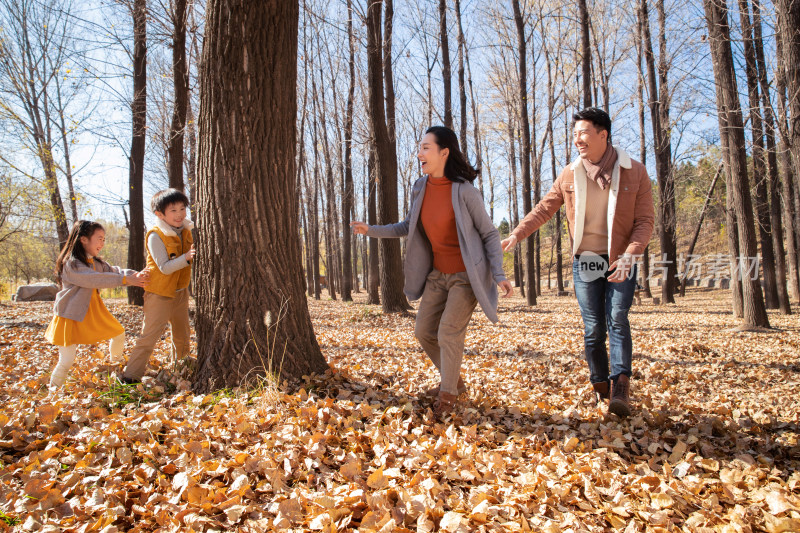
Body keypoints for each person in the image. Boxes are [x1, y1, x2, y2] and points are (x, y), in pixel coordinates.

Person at [501, 108, 654, 418]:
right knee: (594, 328)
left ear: (603, 134)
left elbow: (645, 221)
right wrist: (516, 235)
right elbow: (544, 209)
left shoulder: (635, 171)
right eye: (574, 135)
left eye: (583, 133)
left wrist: (630, 255)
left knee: (617, 318)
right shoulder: (570, 173)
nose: (577, 140)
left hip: (620, 259)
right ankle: (600, 385)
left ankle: (621, 385)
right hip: (586, 261)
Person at [352, 126, 513, 416]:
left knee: (449, 333)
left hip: (466, 276)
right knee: (424, 331)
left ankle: (448, 396)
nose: (420, 153)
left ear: (444, 152)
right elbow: (407, 226)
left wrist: (499, 274)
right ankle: (455, 382)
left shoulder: (464, 192)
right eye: (420, 147)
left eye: (426, 147)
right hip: (438, 276)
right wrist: (370, 230)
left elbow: (489, 234)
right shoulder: (420, 187)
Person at [45, 220, 149, 389]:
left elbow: (115, 271)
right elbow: (93, 278)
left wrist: (136, 275)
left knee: (118, 332)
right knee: (66, 361)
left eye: (104, 239)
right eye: (99, 238)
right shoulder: (71, 264)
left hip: (92, 311)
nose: (102, 243)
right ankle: (52, 392)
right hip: (70, 315)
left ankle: (116, 366)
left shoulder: (96, 263)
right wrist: (125, 280)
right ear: (83, 239)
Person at [121, 189, 195, 384]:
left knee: (182, 334)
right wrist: (186, 258)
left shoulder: (186, 230)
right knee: (150, 336)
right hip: (159, 293)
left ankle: (181, 370)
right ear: (160, 214)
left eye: (182, 208)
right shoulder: (156, 235)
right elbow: (163, 267)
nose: (179, 214)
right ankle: (130, 376)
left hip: (180, 292)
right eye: (173, 210)